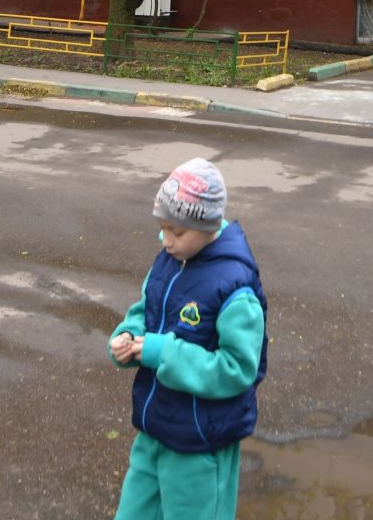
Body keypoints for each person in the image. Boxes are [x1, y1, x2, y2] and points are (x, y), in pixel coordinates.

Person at [107, 158, 266, 520]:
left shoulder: (234, 289)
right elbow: (146, 309)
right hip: (155, 428)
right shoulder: (168, 259)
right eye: (162, 229)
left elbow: (238, 368)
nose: (166, 240)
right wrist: (129, 338)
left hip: (199, 441)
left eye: (176, 232)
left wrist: (162, 352)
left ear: (207, 226)